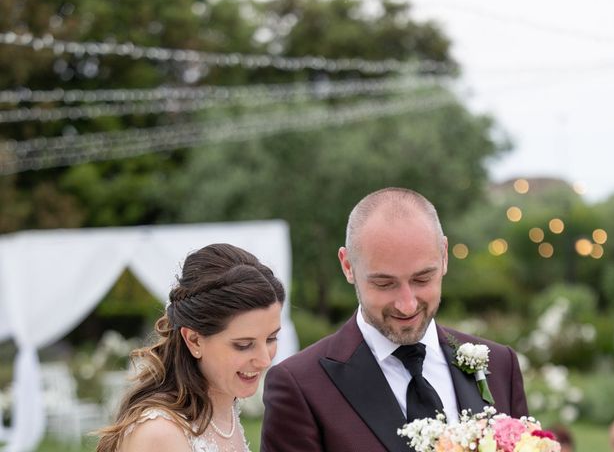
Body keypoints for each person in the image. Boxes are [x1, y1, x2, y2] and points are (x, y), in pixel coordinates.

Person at [261, 187, 528, 452]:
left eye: (422, 279)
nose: (407, 304)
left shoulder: (501, 365)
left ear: (444, 255)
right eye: (384, 283)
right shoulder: (299, 386)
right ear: (348, 266)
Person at [96, 243, 285, 452]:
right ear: (194, 340)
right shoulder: (159, 433)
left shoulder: (224, 407)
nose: (265, 360)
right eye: (243, 345)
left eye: (271, 339)